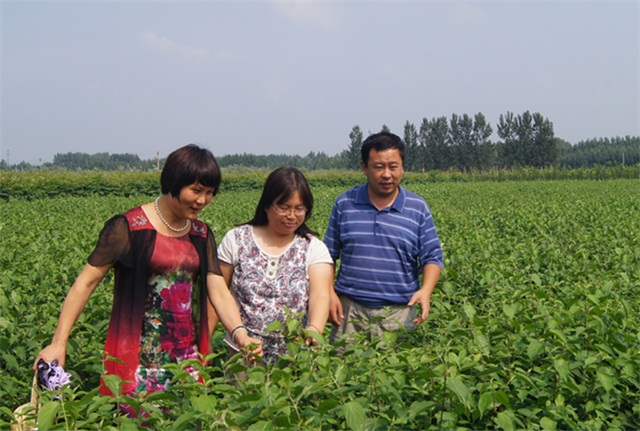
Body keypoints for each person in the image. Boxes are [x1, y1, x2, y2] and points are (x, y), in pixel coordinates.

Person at [34, 144, 262, 400]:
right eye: (196, 191)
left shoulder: (201, 234)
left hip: (185, 357)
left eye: (209, 193)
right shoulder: (129, 228)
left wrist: (240, 334)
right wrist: (59, 342)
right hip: (136, 357)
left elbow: (218, 290)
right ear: (173, 182)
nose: (202, 200)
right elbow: (85, 284)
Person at [323, 131, 443, 343]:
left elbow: (432, 256)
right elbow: (328, 255)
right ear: (364, 168)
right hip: (349, 314)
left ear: (402, 167)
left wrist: (426, 291)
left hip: (399, 314)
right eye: (379, 167)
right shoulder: (345, 204)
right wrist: (329, 293)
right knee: (344, 371)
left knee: (398, 372)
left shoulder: (417, 208)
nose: (387, 174)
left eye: (393, 166)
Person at [217, 167, 333, 364]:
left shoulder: (313, 248)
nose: (291, 215)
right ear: (266, 205)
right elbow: (219, 291)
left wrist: (313, 329)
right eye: (284, 207)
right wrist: (236, 335)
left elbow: (320, 294)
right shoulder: (236, 239)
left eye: (299, 208)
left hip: (293, 355)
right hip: (244, 351)